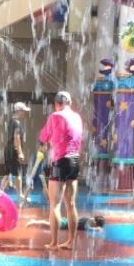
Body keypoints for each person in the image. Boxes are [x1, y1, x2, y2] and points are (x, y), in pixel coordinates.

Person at [39, 90, 83, 251]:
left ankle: (54, 243)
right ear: (70, 103)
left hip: (60, 161)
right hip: (75, 161)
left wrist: (46, 141)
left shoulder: (55, 116)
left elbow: (43, 136)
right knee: (71, 203)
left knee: (55, 204)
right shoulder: (77, 117)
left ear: (56, 104)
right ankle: (71, 241)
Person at [0, 101, 30, 201]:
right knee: (18, 174)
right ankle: (20, 194)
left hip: (7, 149)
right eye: (23, 111)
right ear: (19, 111)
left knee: (7, 173)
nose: (25, 113)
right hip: (14, 150)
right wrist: (20, 152)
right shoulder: (17, 123)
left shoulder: (11, 122)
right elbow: (16, 138)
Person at [26, 214, 105, 231]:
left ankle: (35, 222)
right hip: (65, 223)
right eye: (95, 225)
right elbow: (86, 227)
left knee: (49, 225)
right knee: (49, 226)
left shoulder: (88, 219)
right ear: (95, 222)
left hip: (65, 221)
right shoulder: (88, 220)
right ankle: (34, 223)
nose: (94, 226)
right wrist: (95, 229)